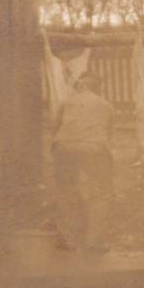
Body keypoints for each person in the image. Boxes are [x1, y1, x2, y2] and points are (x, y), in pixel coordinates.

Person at [51, 72, 115, 254]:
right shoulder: (107, 106)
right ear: (98, 88)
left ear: (80, 87)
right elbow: (107, 136)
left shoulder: (66, 102)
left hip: (63, 146)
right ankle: (93, 242)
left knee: (66, 190)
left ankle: (68, 239)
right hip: (94, 147)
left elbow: (55, 128)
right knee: (101, 193)